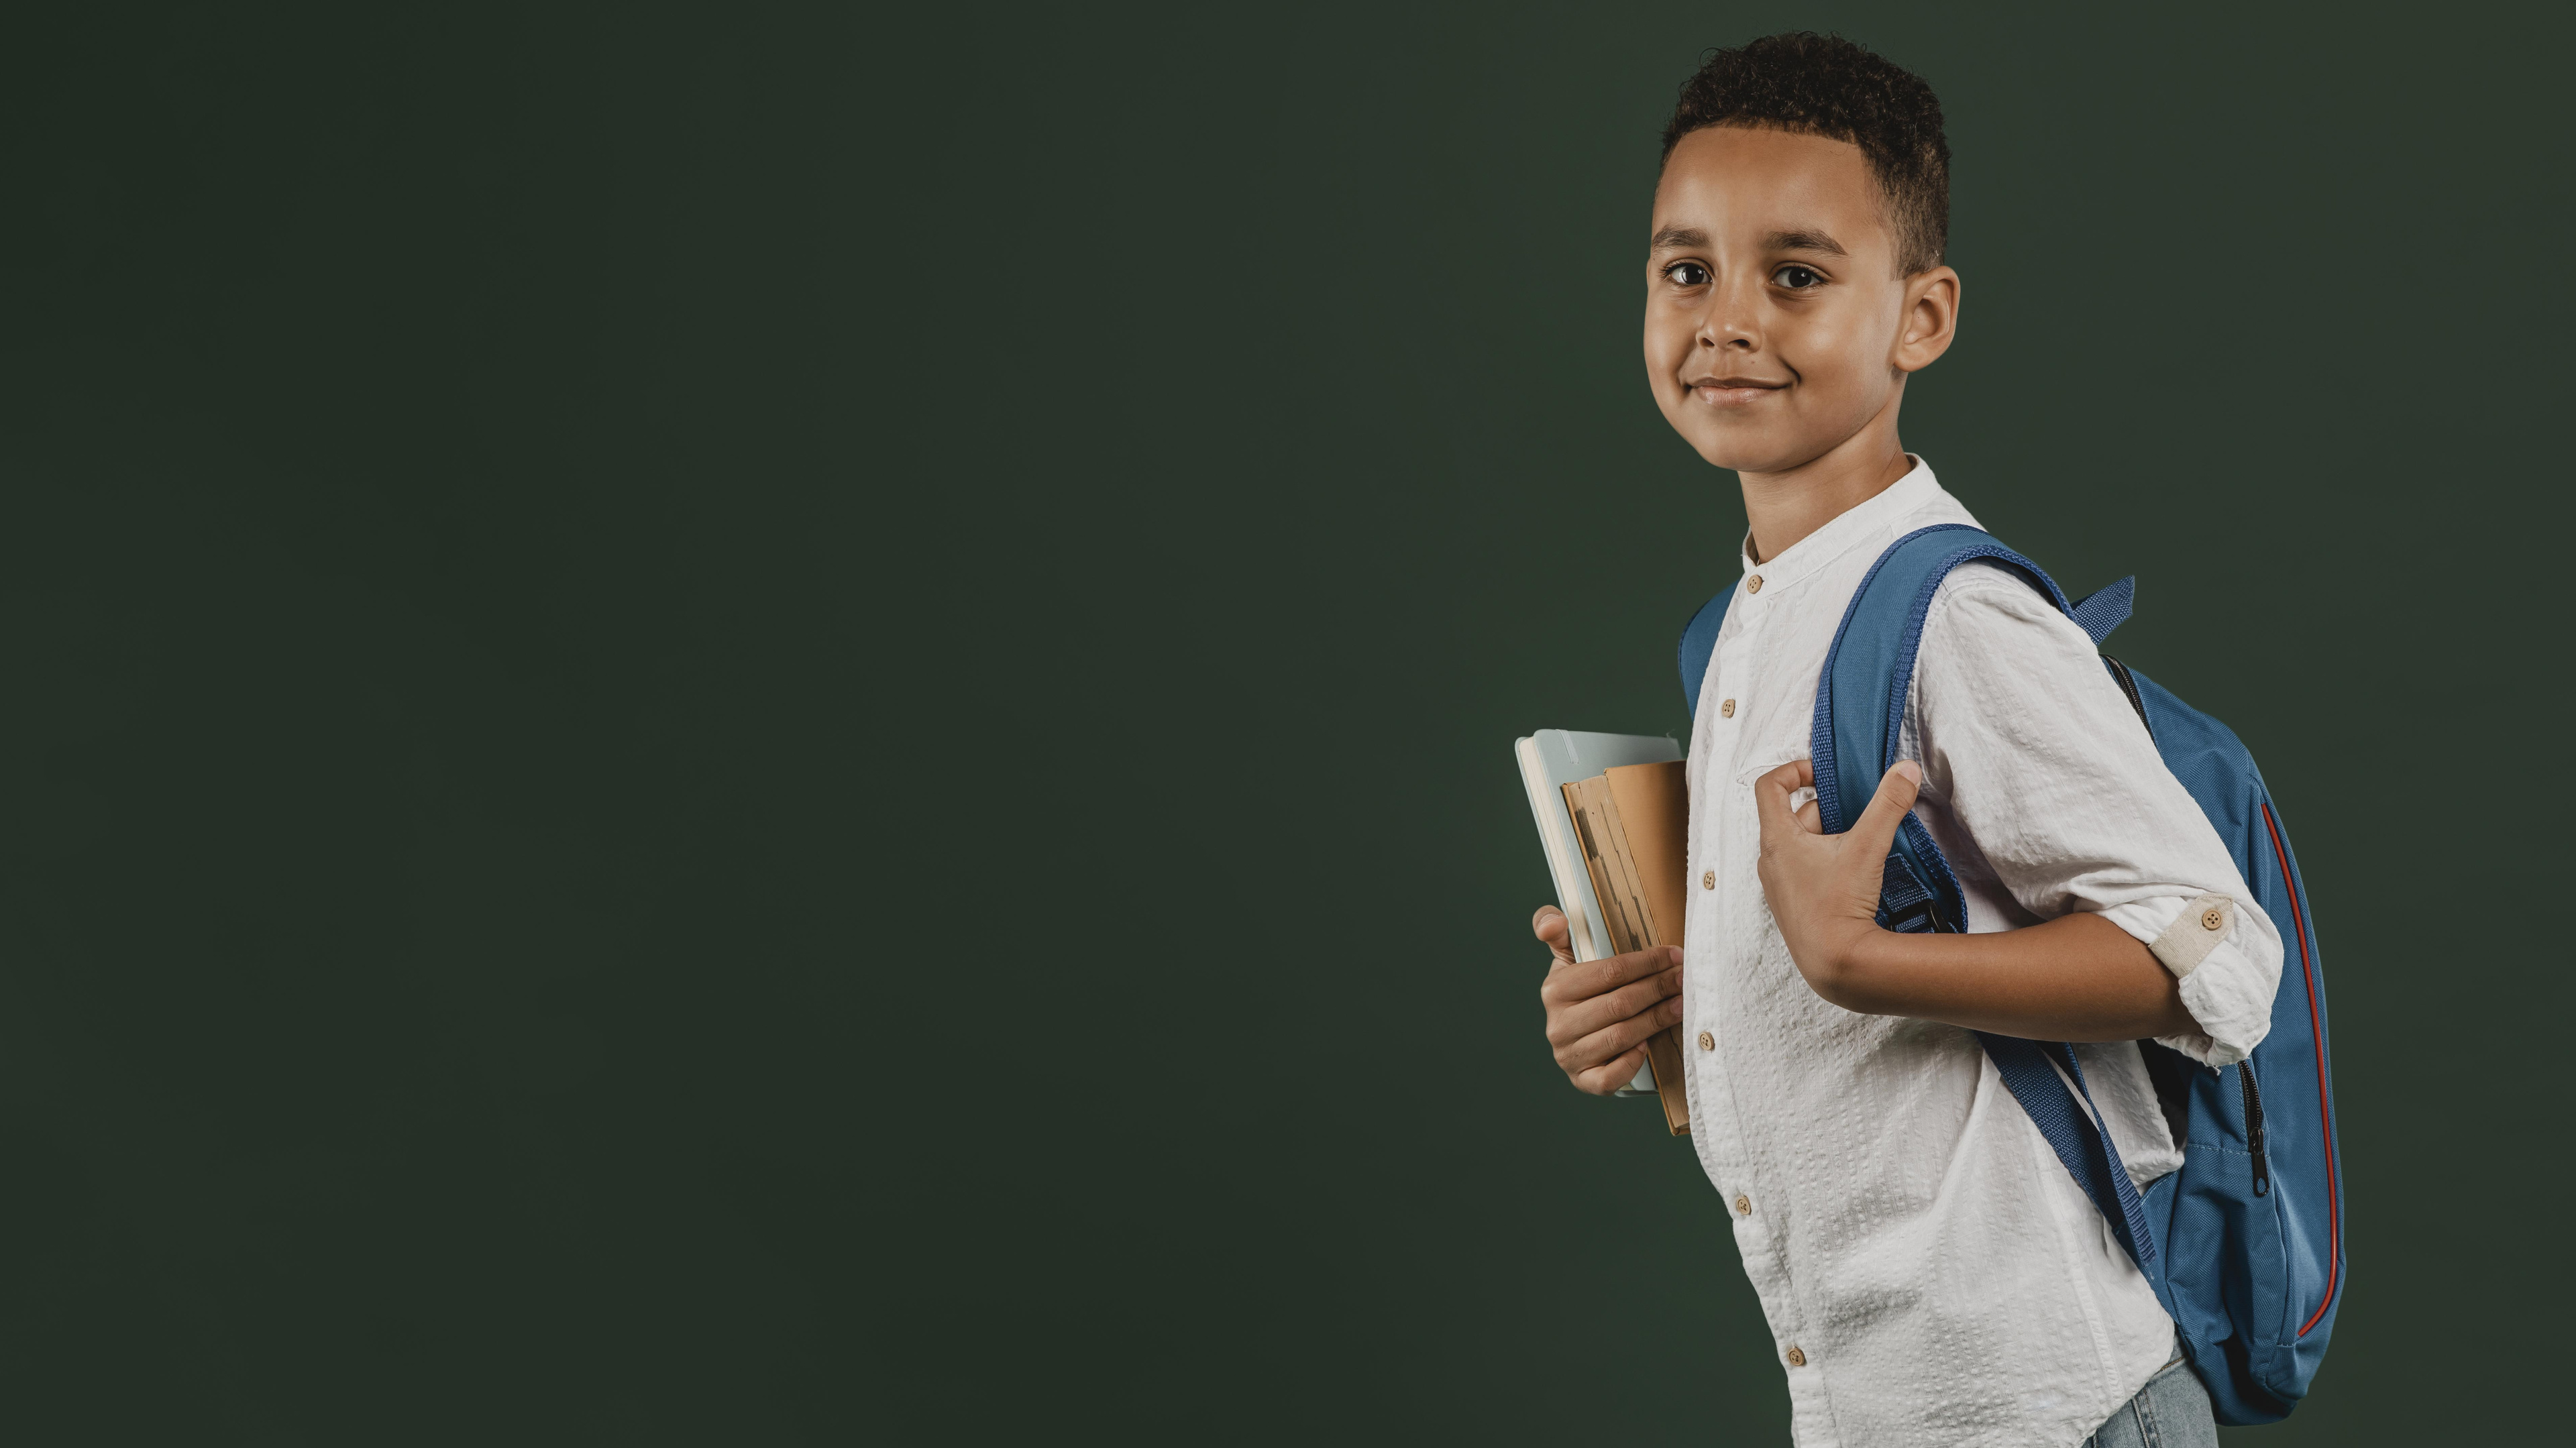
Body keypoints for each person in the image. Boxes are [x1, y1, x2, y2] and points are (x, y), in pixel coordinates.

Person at [1530, 34, 2282, 1448]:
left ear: (1920, 318)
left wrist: (1862, 964)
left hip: (2050, 1409)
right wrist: (1645, 1021)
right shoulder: (1738, 631)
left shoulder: (1951, 613)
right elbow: (1808, 1013)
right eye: (1685, 269)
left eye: (1796, 276)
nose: (1724, 318)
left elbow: (2224, 960)